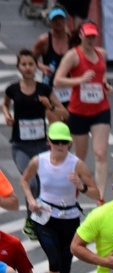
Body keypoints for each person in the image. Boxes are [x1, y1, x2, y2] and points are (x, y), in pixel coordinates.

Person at [19, 121, 98, 273]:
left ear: (69, 142)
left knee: (65, 266)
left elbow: (96, 193)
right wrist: (31, 200)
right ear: (49, 141)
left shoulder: (77, 164)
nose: (60, 145)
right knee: (54, 262)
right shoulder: (39, 161)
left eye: (64, 141)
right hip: (45, 218)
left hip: (69, 219)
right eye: (56, 141)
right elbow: (24, 180)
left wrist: (80, 186)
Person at [3, 49, 69, 239]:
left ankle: (35, 221)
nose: (27, 68)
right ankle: (32, 220)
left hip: (41, 145)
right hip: (20, 146)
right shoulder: (12, 89)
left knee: (42, 183)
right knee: (31, 182)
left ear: (36, 67)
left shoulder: (44, 90)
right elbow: (5, 104)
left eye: (31, 64)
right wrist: (7, 115)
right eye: (24, 64)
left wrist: (50, 106)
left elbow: (65, 113)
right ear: (18, 67)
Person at [54, 20, 113, 200]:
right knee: (80, 156)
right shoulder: (73, 56)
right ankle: (72, 187)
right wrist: (79, 80)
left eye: (93, 36)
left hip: (101, 109)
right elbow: (57, 80)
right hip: (78, 111)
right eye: (87, 36)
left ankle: (100, 198)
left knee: (100, 154)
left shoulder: (102, 54)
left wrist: (106, 85)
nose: (90, 40)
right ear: (80, 35)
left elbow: (101, 76)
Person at [33, 8, 72, 105]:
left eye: (60, 18)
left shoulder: (72, 39)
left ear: (65, 20)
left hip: (69, 84)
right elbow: (31, 59)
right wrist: (42, 67)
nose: (58, 22)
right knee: (53, 112)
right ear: (50, 22)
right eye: (54, 19)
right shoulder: (44, 40)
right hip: (50, 85)